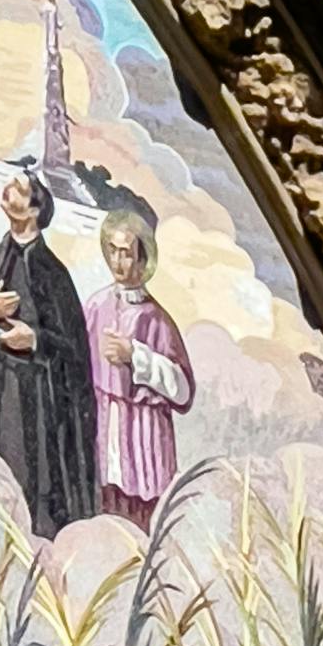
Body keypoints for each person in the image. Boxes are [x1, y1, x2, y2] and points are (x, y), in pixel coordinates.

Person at [0, 171, 97, 534]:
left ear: (35, 210)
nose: (8, 191)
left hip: (41, 407)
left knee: (37, 491)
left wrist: (37, 340)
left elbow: (74, 350)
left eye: (19, 190)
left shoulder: (53, 273)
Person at [89, 215, 195, 528]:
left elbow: (183, 389)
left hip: (144, 441)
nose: (118, 261)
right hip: (105, 432)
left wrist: (136, 356)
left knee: (142, 524)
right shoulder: (95, 306)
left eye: (126, 252)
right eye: (112, 250)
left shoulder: (156, 319)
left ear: (143, 258)